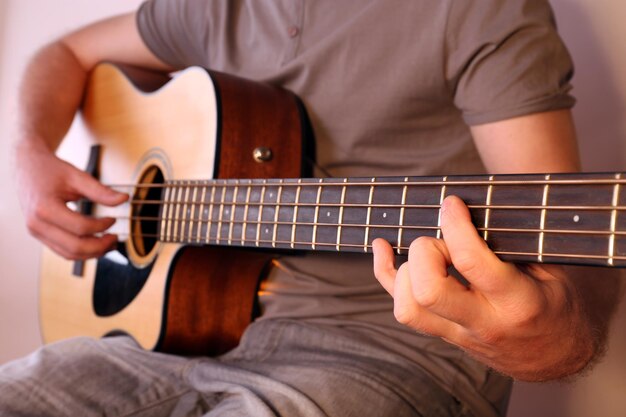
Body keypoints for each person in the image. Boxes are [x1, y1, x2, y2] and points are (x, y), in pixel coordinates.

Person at [3, 0, 622, 416]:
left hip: (387, 356)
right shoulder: (214, 8)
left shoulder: (472, 10)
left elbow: (570, 272)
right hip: (182, 340)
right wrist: (30, 153)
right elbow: (63, 55)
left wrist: (546, 339)